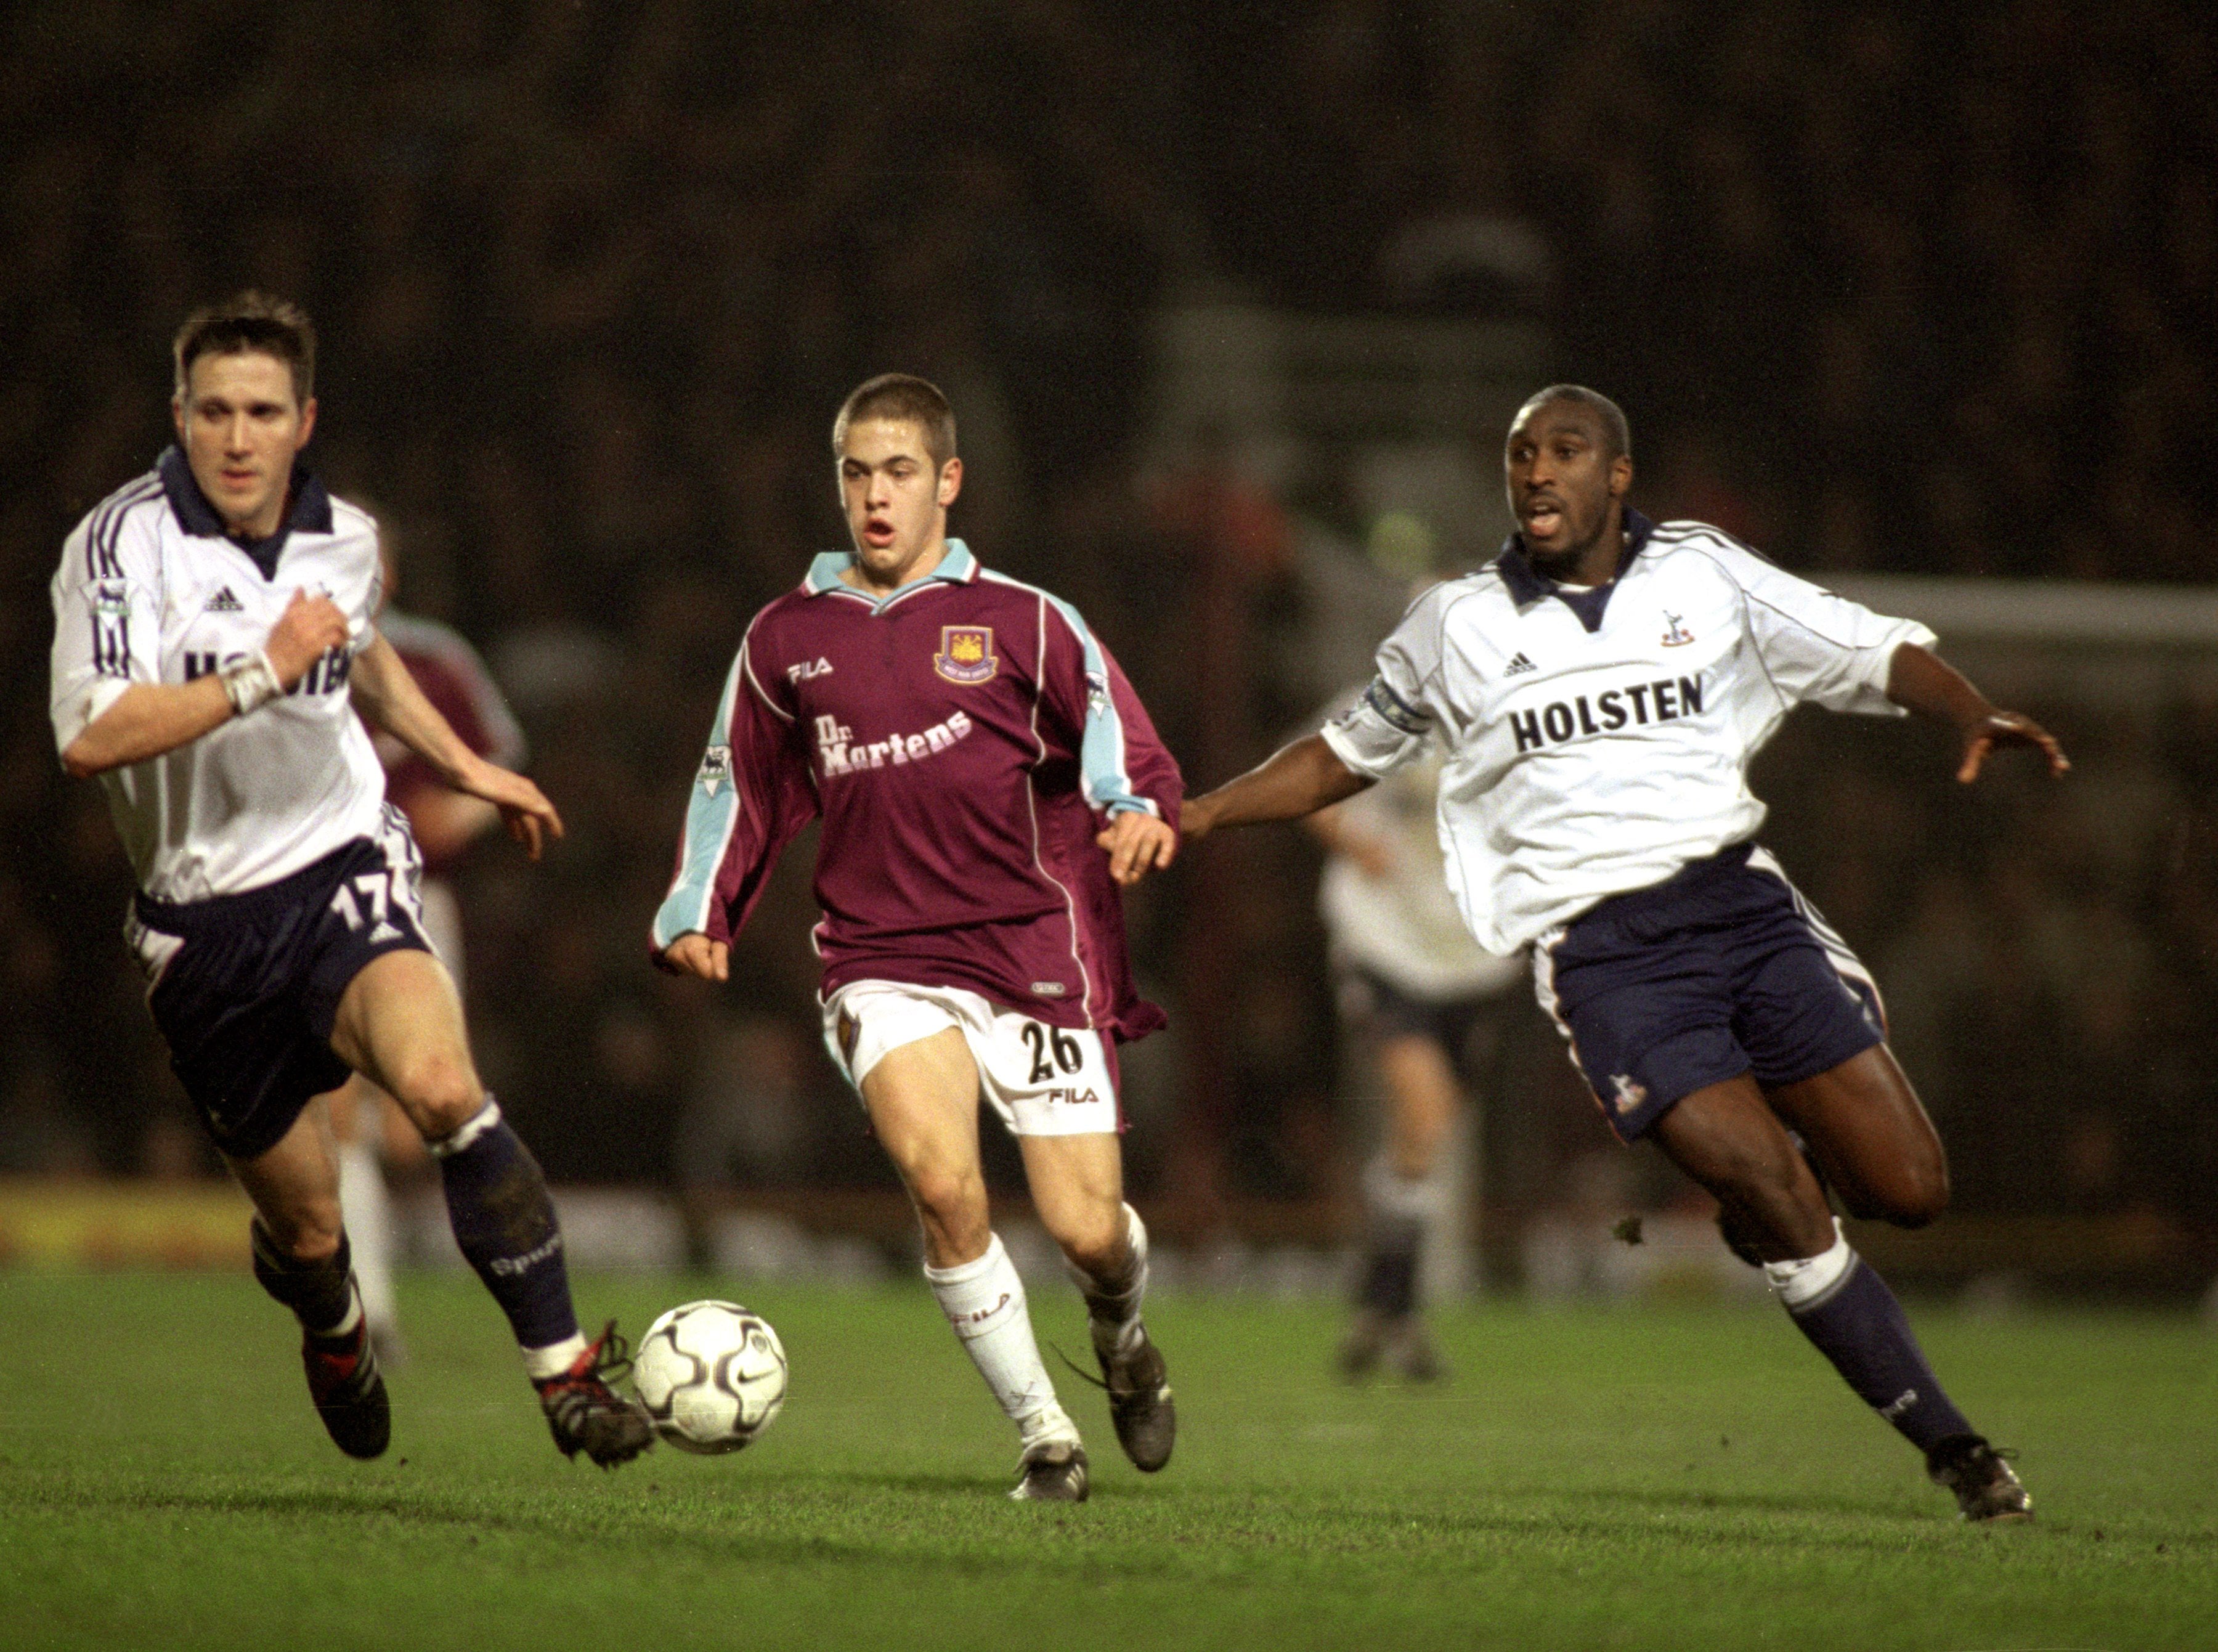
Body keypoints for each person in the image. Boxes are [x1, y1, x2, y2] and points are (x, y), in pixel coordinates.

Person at [1177, 385, 2066, 1522]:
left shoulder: (1703, 571)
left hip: (1746, 914)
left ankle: (1775, 1218)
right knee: (1780, 1196)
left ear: (1619, 474)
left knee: (1911, 1192)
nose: (1538, 471)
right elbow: (1341, 756)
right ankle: (1958, 1450)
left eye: (1565, 450)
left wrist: (1970, 711)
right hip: (1608, 960)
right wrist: (1205, 813)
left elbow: (1864, 647)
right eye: (1520, 454)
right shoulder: (1456, 623)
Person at [47, 293, 651, 1468]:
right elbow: (89, 735)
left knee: (441, 1090)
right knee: (311, 1229)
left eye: (262, 412)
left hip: (341, 863)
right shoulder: (117, 547)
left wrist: (467, 762)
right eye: (214, 410)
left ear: (303, 420)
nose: (237, 436)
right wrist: (259, 676)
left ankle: (567, 1373)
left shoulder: (349, 540)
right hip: (199, 929)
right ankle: (332, 1322)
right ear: (180, 416)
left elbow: (364, 647)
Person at [654, 374, 1181, 1502]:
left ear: (948, 480)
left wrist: (1134, 808)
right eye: (856, 473)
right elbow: (737, 782)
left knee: (1087, 1231)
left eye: (899, 472)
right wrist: (703, 907)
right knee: (943, 1186)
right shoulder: (786, 637)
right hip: (880, 957)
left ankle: (1123, 1334)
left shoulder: (1027, 620)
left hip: (1032, 953)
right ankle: (1047, 1438)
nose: (875, 497)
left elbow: (1115, 737)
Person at [327, 536, 530, 1362]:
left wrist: (467, 809)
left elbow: (504, 754)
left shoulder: (435, 658)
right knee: (342, 1110)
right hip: (314, 894)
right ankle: (371, 1312)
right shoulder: (283, 643)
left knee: (419, 1124)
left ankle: (442, 1259)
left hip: (419, 897)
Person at [1306, 690, 1525, 1381]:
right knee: (1425, 1109)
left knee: (1425, 1133)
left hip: (1474, 956)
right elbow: (1309, 782)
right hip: (1386, 941)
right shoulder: (1380, 706)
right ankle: (1396, 1303)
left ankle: (1383, 1303)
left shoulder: (1526, 713)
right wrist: (1351, 838)